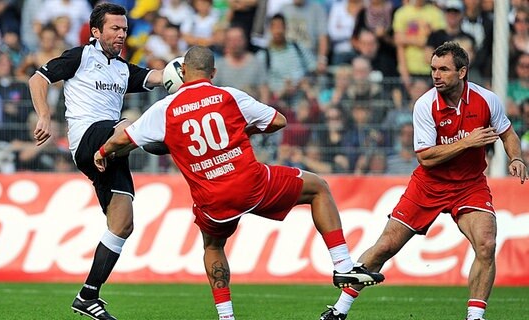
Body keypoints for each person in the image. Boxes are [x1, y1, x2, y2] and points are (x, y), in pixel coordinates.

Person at [93, 46, 384, 320]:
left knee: (213, 248)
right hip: (251, 184)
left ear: (182, 72)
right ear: (213, 73)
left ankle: (226, 316)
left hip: (212, 200)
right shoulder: (229, 96)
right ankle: (343, 266)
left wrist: (102, 152)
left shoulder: (165, 110)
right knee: (318, 188)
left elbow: (123, 139)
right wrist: (240, 131)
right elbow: (278, 121)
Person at [320, 41, 528, 320]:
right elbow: (426, 157)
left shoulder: (487, 100)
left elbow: (508, 133)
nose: (436, 75)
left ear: (462, 72)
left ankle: (475, 318)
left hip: (470, 185)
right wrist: (468, 142)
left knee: (486, 244)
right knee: (384, 247)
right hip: (428, 186)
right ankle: (338, 310)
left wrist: (516, 158)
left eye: (443, 69)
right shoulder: (425, 105)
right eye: (433, 69)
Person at [28, 3, 164, 319]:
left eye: (125, 29)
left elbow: (156, 77)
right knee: (134, 125)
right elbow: (38, 79)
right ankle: (142, 147)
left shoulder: (122, 69)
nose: (121, 35)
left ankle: (88, 295)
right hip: (90, 138)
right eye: (115, 29)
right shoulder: (80, 57)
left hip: (113, 145)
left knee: (123, 223)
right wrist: (45, 116)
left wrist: (183, 70)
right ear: (96, 31)